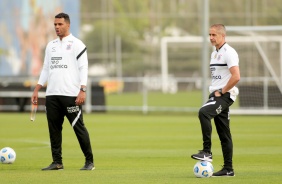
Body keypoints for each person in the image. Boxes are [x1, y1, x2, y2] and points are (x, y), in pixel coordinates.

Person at [31, 12, 94, 171]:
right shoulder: (50, 45)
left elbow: (83, 68)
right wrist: (37, 88)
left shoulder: (77, 44)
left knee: (79, 128)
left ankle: (89, 162)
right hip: (52, 95)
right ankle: (57, 162)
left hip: (71, 95)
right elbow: (46, 69)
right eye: (55, 25)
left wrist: (82, 90)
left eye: (60, 24)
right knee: (54, 130)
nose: (57, 27)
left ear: (68, 25)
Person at [191, 24, 240, 177]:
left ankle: (207, 151)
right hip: (217, 95)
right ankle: (228, 169)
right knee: (224, 133)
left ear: (222, 36)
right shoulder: (214, 53)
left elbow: (236, 76)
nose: (211, 38)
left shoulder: (229, 52)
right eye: (210, 35)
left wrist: (222, 91)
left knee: (204, 112)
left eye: (214, 35)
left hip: (224, 95)